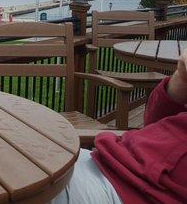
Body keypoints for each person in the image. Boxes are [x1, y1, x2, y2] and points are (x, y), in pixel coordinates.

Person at [51, 50, 187, 204]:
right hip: (104, 160)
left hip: (126, 190)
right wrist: (181, 78)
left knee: (23, 179)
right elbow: (154, 125)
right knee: (25, 155)